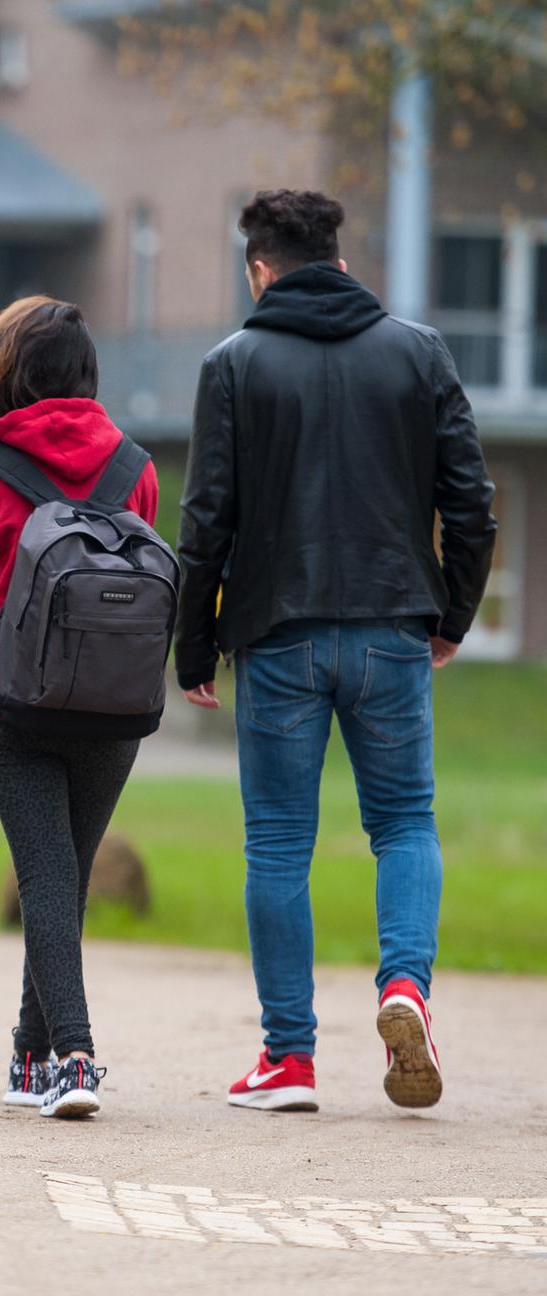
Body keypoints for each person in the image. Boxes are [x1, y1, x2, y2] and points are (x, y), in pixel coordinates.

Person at [175, 189, 497, 1113]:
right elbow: (471, 502)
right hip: (394, 630)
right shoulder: (418, 351)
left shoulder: (232, 363)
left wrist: (193, 645)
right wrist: (453, 617)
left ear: (259, 270)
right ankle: (405, 989)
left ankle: (289, 1061)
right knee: (403, 823)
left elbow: (207, 523)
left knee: (278, 842)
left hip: (277, 637)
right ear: (343, 263)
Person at [0, 296, 159, 1119]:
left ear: (2, 374)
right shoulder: (134, 468)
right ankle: (27, 1057)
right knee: (58, 878)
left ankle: (72, 1055)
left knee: (47, 877)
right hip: (114, 707)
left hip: (13, 706)